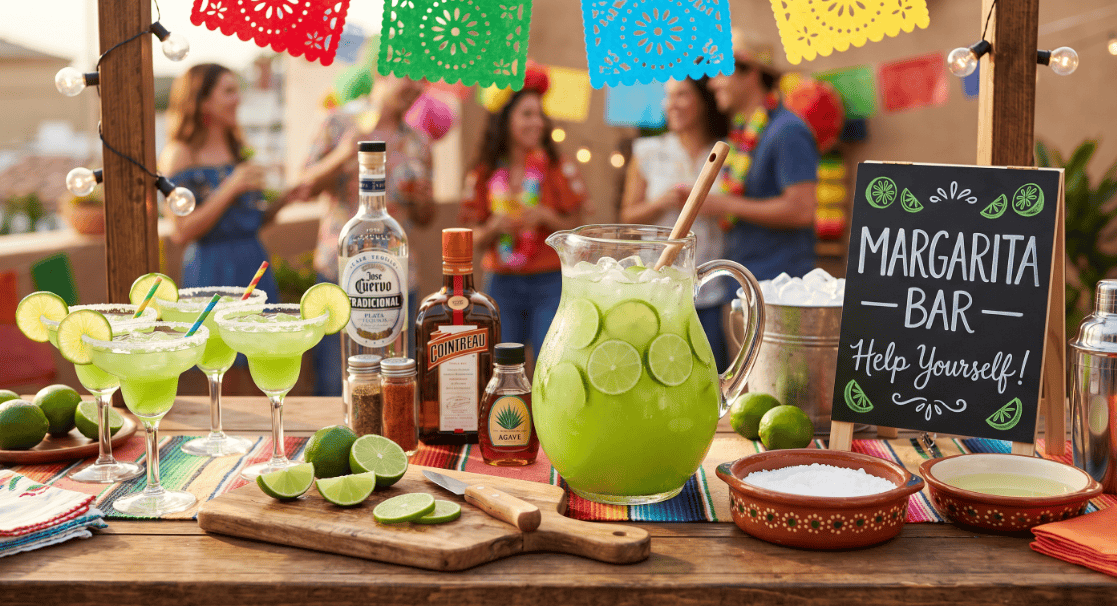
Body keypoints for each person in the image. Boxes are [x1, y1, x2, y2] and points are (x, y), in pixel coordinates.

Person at [298, 74, 436, 396]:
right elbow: (303, 187)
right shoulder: (338, 123)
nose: (416, 87)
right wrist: (342, 154)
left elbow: (426, 218)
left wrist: (423, 199)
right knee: (336, 377)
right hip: (341, 272)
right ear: (381, 71)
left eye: (423, 81)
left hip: (396, 278)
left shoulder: (419, 141)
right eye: (410, 76)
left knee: (394, 378)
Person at [459, 65, 588, 360]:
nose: (537, 123)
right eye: (527, 114)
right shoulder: (483, 173)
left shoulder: (558, 167)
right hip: (501, 282)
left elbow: (578, 228)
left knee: (550, 362)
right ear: (505, 120)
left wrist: (546, 217)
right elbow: (471, 241)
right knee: (503, 365)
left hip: (550, 282)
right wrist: (494, 227)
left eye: (540, 114)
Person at [619, 77, 732, 369]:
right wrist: (660, 203)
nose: (671, 104)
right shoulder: (648, 151)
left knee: (709, 372)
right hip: (659, 285)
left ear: (703, 101)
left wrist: (718, 208)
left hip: (709, 288)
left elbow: (738, 211)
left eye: (681, 95)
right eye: (668, 96)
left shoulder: (730, 151)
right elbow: (627, 217)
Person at [160, 63, 285, 303]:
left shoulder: (237, 149)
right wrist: (231, 187)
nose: (238, 99)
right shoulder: (180, 154)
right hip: (211, 270)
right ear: (202, 100)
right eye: (229, 92)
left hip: (254, 262)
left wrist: (284, 200)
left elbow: (251, 220)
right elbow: (181, 230)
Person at [704, 38, 820, 281]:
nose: (713, 83)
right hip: (746, 278)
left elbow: (802, 210)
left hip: (780, 284)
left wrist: (724, 205)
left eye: (720, 72)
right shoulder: (740, 133)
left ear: (750, 72)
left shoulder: (788, 129)